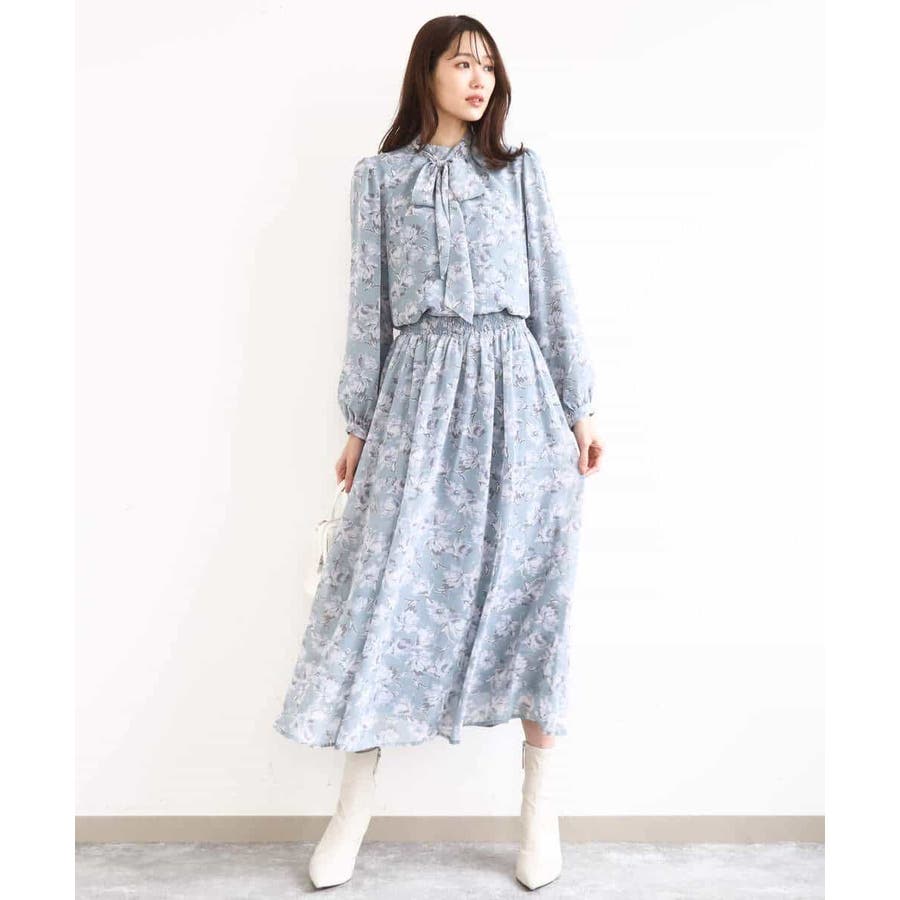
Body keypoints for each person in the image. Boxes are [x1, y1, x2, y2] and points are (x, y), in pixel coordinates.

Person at [272, 15, 604, 892]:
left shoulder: (519, 172)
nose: (479, 79)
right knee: (385, 594)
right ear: (427, 74)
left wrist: (579, 408)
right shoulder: (379, 181)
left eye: (489, 66)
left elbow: (553, 287)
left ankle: (538, 811)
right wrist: (358, 426)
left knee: (535, 596)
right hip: (418, 398)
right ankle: (352, 813)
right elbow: (368, 310)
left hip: (518, 399)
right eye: (463, 64)